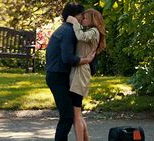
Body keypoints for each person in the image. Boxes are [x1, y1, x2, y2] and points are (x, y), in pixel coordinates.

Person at [45, 3, 96, 141]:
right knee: (67, 115)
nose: (83, 18)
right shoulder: (67, 32)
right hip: (57, 77)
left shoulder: (67, 29)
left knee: (71, 114)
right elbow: (67, 58)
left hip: (61, 75)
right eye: (81, 15)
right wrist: (86, 60)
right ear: (75, 16)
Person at [66, 9, 106, 141]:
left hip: (81, 72)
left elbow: (81, 37)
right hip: (78, 69)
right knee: (77, 112)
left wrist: (73, 22)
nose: (81, 20)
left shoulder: (94, 32)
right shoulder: (89, 31)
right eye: (81, 18)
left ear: (93, 19)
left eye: (85, 18)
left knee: (76, 113)